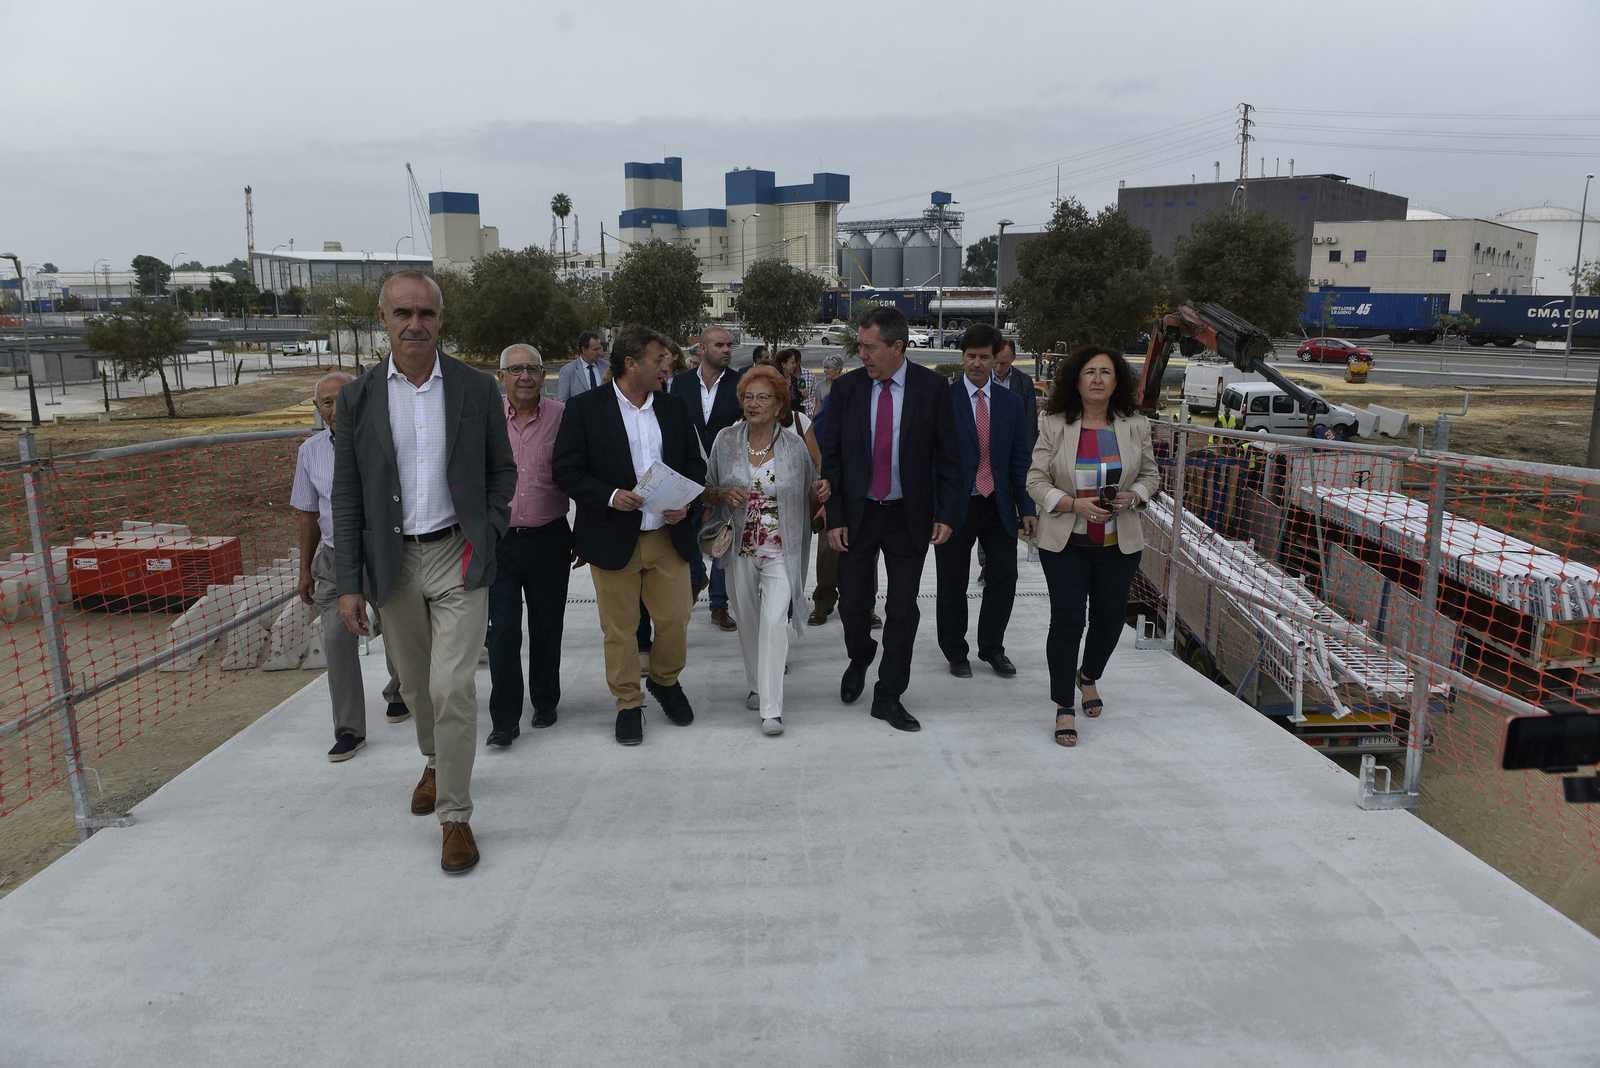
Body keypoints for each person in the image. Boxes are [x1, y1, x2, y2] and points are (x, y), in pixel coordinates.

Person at [333, 269, 517, 874]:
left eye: (427, 314)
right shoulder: (357, 398)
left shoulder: (474, 388)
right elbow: (347, 495)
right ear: (383, 320)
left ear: (441, 320)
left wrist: (487, 529)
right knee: (415, 687)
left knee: (453, 687)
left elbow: (501, 472)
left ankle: (456, 817)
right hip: (391, 562)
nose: (416, 324)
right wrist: (349, 585)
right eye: (402, 313)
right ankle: (435, 763)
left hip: (457, 553)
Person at [552, 325, 705, 747]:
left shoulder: (674, 408)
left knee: (676, 618)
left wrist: (686, 501)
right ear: (631, 363)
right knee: (620, 630)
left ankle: (664, 680)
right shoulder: (584, 409)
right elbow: (565, 471)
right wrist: (611, 495)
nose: (668, 365)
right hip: (610, 537)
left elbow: (694, 463)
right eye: (660, 359)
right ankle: (627, 704)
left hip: (665, 536)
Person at [821, 305, 962, 732]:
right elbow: (834, 459)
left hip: (908, 518)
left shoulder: (933, 389)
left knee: (902, 610)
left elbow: (949, 459)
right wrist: (835, 516)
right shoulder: (846, 390)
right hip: (859, 517)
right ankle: (860, 655)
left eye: (868, 347)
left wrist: (946, 512)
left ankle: (889, 695)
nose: (860, 354)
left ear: (897, 347)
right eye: (859, 346)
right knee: (853, 607)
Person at [1025, 345, 1161, 748]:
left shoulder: (1136, 425)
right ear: (1076, 380)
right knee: (1068, 621)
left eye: (1106, 371)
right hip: (1065, 542)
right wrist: (1071, 503)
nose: (1098, 378)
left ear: (1117, 380)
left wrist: (1134, 495)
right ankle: (1064, 705)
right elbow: (1035, 481)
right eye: (1089, 372)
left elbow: (1151, 475)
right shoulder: (1053, 424)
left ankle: (1088, 676)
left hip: (1119, 543)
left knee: (1109, 621)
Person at [702, 366, 829, 734]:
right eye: (748, 397)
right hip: (739, 545)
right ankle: (757, 685)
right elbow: (708, 487)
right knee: (750, 623)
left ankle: (771, 708)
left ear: (779, 405)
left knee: (774, 622)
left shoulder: (793, 446)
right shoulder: (726, 440)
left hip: (781, 547)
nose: (753, 403)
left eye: (763, 397)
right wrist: (722, 494)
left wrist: (822, 492)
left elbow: (810, 487)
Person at [291, 371, 407, 763]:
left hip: (383, 548)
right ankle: (349, 730)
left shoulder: (386, 439)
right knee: (338, 639)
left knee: (395, 626)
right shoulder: (310, 452)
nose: (335, 408)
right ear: (317, 409)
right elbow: (308, 515)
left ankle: (400, 691)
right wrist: (305, 569)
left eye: (343, 398)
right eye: (326, 401)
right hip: (335, 557)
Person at [935, 323, 1038, 678]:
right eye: (970, 356)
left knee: (1004, 578)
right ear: (962, 358)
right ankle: (955, 651)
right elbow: (932, 459)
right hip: (955, 508)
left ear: (997, 360)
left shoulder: (1011, 404)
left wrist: (1027, 508)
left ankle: (993, 648)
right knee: (952, 582)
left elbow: (1020, 459)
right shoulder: (944, 400)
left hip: (998, 505)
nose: (976, 363)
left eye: (984, 357)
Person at [484, 344, 571, 750]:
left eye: (533, 369)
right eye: (515, 369)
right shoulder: (484, 420)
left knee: (546, 625)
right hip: (498, 543)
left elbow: (579, 475)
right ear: (500, 376)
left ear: (544, 376)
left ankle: (545, 700)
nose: (524, 376)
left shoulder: (562, 418)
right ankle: (504, 718)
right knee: (501, 630)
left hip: (549, 538)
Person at [669, 324, 741, 631]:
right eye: (719, 345)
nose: (726, 350)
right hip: (689, 475)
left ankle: (719, 605)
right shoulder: (679, 384)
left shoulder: (740, 384)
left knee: (721, 539)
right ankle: (697, 577)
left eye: (728, 345)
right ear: (702, 349)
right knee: (687, 535)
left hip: (726, 478)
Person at [806, 353, 879, 629]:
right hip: (838, 491)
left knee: (869, 553)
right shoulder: (842, 395)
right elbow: (823, 445)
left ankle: (867, 605)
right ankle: (823, 601)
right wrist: (826, 490)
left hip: (872, 495)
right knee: (829, 551)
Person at [994, 338, 1038, 446]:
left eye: (1004, 363)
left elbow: (1031, 424)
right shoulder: (982, 379)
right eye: (995, 362)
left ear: (1013, 358)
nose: (998, 368)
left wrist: (1028, 456)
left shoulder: (1025, 382)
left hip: (1014, 447)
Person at [557, 330, 608, 402]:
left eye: (599, 348)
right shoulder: (567, 371)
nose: (599, 353)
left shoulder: (607, 367)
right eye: (595, 349)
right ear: (584, 349)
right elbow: (563, 402)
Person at [775, 347, 808, 414]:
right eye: (792, 363)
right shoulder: (776, 381)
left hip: (795, 418)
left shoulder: (794, 380)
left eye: (795, 363)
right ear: (783, 364)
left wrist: (804, 396)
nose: (795, 365)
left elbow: (796, 402)